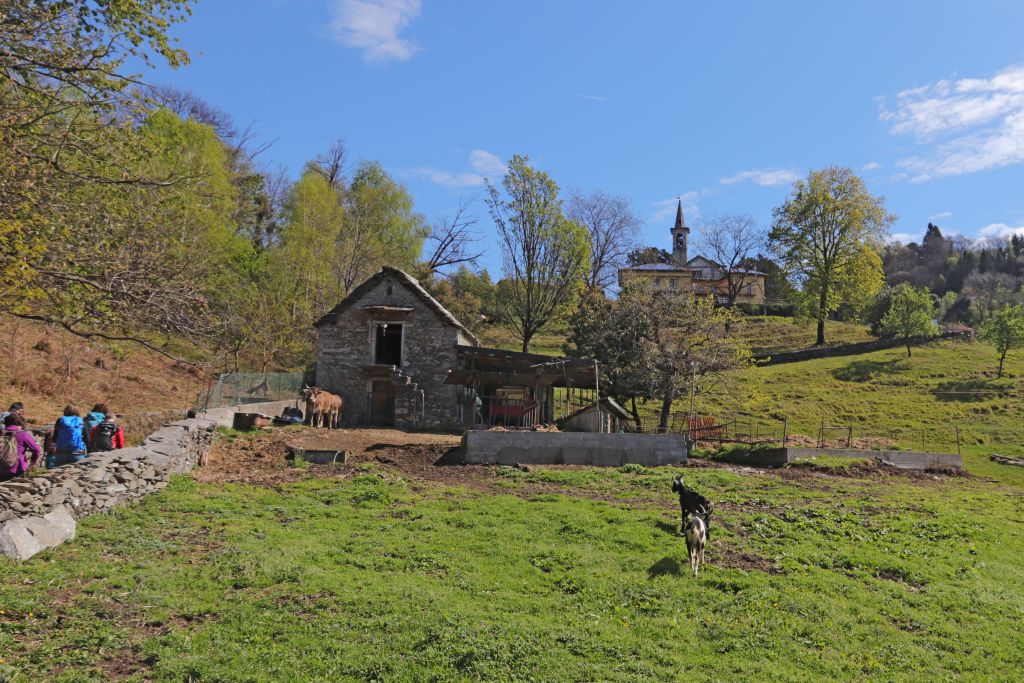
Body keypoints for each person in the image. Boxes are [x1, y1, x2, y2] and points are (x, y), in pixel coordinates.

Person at [1, 413, 41, 481]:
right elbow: (37, 450)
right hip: (17, 468)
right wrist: (33, 462)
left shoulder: (1, 433)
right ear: (19, 424)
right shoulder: (22, 434)